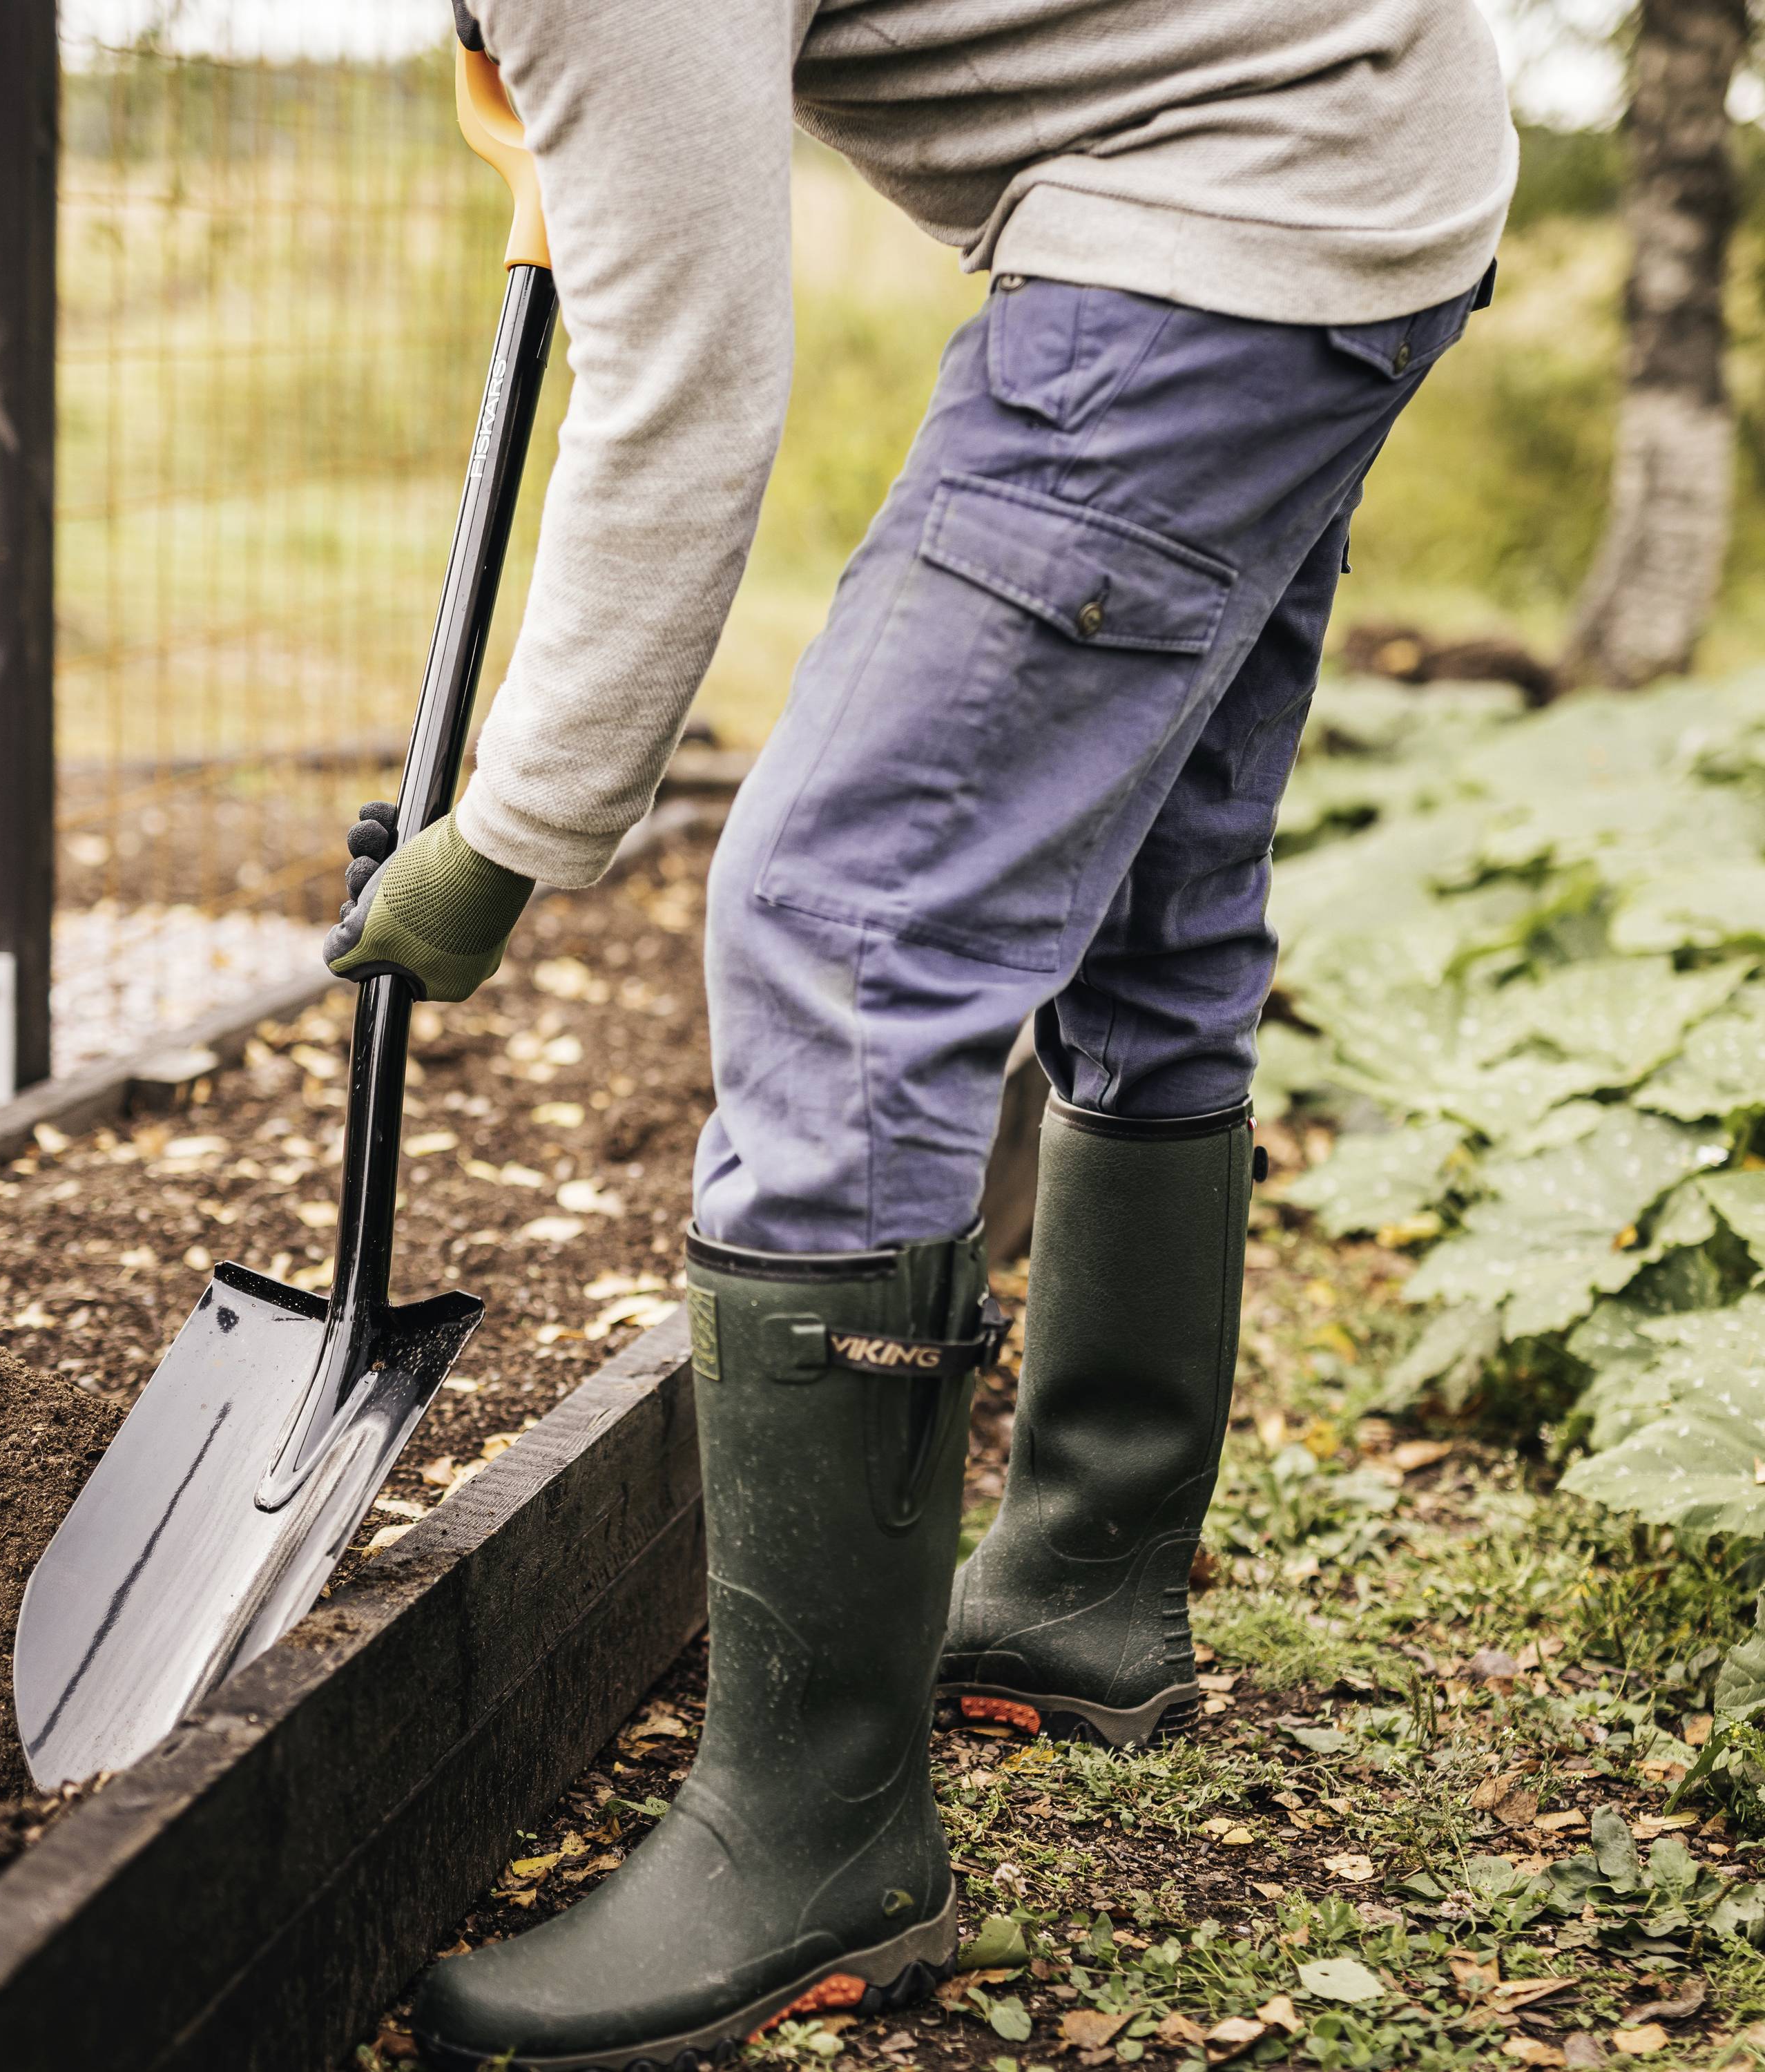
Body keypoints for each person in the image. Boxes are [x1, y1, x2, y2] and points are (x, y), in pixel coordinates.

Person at [324, 3, 1516, 2064]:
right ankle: (1082, 1586)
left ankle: (815, 1836)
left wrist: (510, 830)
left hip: (1240, 190)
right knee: (1150, 885)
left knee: (841, 918)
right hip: (1362, 137)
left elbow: (690, 401)